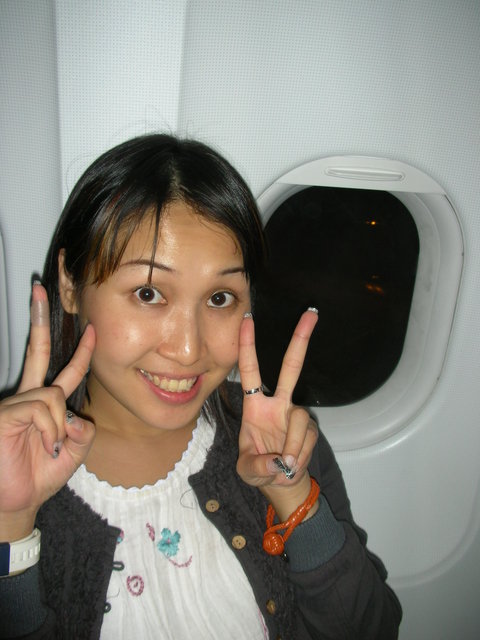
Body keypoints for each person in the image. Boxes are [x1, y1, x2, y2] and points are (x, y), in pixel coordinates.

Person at [0, 134, 401, 639]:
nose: (190, 349)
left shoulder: (275, 443)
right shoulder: (10, 467)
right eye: (149, 293)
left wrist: (294, 497)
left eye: (219, 298)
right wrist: (10, 523)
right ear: (69, 284)